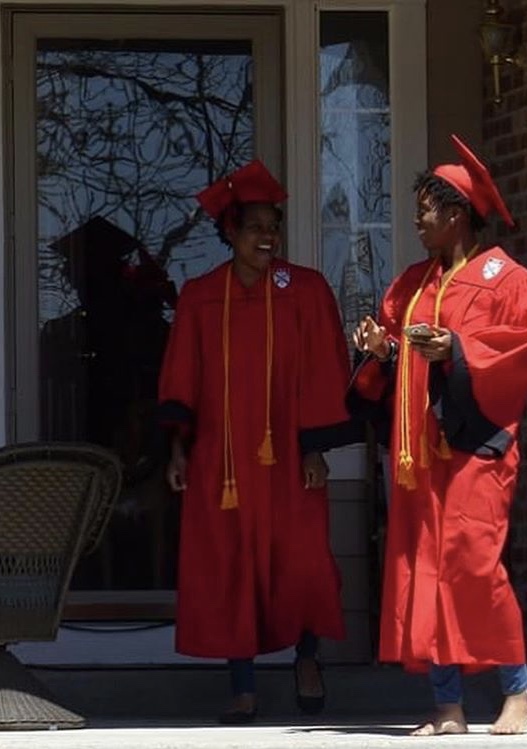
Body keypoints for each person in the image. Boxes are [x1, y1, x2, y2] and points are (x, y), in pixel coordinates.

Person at [349, 135, 527, 736]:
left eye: (426, 211)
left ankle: (518, 690)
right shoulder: (412, 286)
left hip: (474, 449)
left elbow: (519, 351)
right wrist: (381, 349)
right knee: (425, 569)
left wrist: (456, 349)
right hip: (418, 455)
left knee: (475, 564)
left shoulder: (508, 280)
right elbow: (390, 365)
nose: (416, 221)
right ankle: (448, 708)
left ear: (458, 214)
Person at [158, 160, 356, 723]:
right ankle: (241, 685)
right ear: (229, 233)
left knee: (302, 562)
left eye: (274, 225)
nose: (267, 236)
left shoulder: (307, 290)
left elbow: (323, 370)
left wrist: (316, 446)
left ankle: (308, 656)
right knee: (230, 567)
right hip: (222, 463)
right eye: (254, 227)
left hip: (289, 460)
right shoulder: (200, 298)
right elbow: (182, 377)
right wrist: (177, 450)